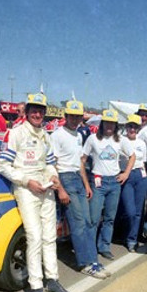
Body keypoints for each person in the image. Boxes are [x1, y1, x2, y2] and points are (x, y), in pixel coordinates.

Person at [0, 92, 73, 292]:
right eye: (34, 110)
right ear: (28, 111)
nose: (37, 114)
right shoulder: (15, 133)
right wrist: (26, 181)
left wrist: (54, 178)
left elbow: (49, 163)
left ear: (44, 113)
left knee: (50, 237)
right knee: (34, 237)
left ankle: (53, 279)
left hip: (46, 189)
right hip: (27, 189)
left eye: (41, 111)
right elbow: (2, 165)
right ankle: (36, 286)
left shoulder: (46, 135)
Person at [51, 100, 110, 279]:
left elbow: (80, 163)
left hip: (77, 177)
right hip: (65, 178)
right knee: (78, 223)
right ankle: (85, 263)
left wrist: (86, 184)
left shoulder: (78, 135)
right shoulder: (57, 135)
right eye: (72, 116)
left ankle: (93, 260)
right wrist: (60, 189)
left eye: (78, 117)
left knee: (88, 221)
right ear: (65, 116)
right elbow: (52, 164)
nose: (75, 119)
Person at [82, 109, 135, 260]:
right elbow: (83, 159)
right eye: (107, 123)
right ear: (102, 123)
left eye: (112, 123)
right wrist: (86, 181)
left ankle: (104, 246)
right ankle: (90, 248)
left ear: (116, 125)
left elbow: (132, 156)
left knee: (109, 218)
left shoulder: (121, 140)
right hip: (98, 181)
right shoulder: (93, 139)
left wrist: (126, 173)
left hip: (114, 182)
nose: (109, 126)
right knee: (93, 217)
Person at [119, 114, 147, 252]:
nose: (132, 129)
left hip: (140, 175)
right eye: (130, 126)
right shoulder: (119, 140)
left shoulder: (142, 143)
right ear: (126, 127)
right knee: (129, 211)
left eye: (135, 127)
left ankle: (132, 239)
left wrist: (145, 177)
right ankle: (124, 234)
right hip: (125, 175)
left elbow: (143, 161)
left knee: (138, 212)